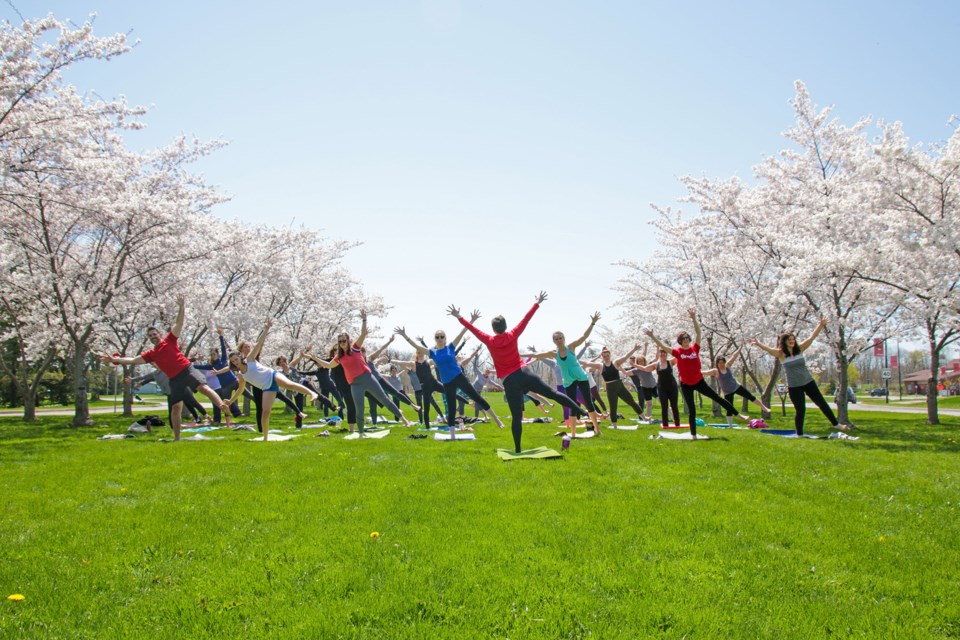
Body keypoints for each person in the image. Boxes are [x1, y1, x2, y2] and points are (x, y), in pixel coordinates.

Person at [453, 291, 588, 452]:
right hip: (524, 373)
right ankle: (582, 411)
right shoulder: (512, 334)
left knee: (517, 417)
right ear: (506, 326)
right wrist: (537, 303)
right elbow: (526, 319)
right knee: (552, 393)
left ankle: (518, 449)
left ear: (493, 329)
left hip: (510, 381)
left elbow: (473, 329)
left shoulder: (489, 340)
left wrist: (459, 317)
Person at [97, 295, 230, 441]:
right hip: (174, 379)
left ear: (159, 335)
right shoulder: (151, 354)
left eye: (155, 334)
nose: (153, 336)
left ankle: (221, 405)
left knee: (203, 388)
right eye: (150, 336)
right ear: (149, 338)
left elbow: (179, 324)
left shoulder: (169, 340)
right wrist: (115, 359)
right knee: (176, 408)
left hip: (187, 370)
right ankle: (177, 438)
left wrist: (181, 307)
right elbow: (134, 360)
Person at [644, 309, 749, 439]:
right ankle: (693, 435)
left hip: (699, 381)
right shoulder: (677, 352)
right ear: (680, 342)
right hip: (686, 384)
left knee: (717, 398)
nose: (686, 340)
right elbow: (663, 346)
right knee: (692, 410)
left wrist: (693, 318)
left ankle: (738, 415)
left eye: (687, 338)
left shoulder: (695, 349)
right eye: (684, 339)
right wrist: (653, 337)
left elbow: (699, 333)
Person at [307, 310, 414, 431]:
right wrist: (315, 358)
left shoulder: (355, 348)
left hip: (368, 378)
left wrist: (364, 319)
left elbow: (363, 334)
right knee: (359, 408)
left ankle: (404, 420)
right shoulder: (339, 357)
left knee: (384, 399)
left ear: (348, 340)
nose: (342, 343)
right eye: (340, 341)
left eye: (344, 340)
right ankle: (361, 432)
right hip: (354, 384)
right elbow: (329, 365)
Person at [395, 319, 504, 428]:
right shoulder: (432, 353)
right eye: (437, 337)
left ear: (445, 338)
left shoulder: (450, 347)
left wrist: (472, 320)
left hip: (459, 377)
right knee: (452, 409)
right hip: (447, 383)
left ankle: (497, 421)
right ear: (435, 339)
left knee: (476, 397)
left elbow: (461, 333)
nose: (439, 338)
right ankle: (452, 435)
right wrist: (405, 335)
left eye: (442, 336)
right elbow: (417, 347)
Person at [750, 318, 850, 435]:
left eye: (793, 339)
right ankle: (800, 434)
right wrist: (758, 344)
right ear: (784, 341)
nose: (792, 341)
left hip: (808, 382)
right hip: (794, 386)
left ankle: (836, 424)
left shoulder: (800, 349)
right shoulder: (781, 354)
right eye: (789, 340)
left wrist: (821, 325)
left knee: (822, 403)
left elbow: (811, 337)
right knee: (801, 410)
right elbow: (768, 349)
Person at [227, 319, 318, 441]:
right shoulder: (241, 375)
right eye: (233, 361)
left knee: (289, 384)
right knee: (265, 412)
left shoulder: (250, 359)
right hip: (267, 388)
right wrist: (231, 401)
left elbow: (259, 344)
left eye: (236, 359)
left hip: (272, 375)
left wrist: (267, 328)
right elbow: (240, 389)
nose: (235, 362)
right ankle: (265, 438)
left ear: (240, 357)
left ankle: (312, 393)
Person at [522, 312, 602, 438]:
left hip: (581, 378)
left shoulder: (571, 347)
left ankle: (597, 429)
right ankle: (574, 433)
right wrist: (519, 355)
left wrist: (593, 323)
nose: (559, 340)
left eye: (560, 338)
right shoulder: (554, 353)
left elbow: (584, 336)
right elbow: (537, 355)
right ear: (554, 341)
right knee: (572, 406)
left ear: (564, 339)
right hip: (568, 381)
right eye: (556, 338)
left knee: (589, 403)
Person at [701, 344, 771, 425]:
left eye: (722, 363)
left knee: (750, 396)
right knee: (729, 408)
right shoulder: (715, 371)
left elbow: (734, 356)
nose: (721, 364)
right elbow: (704, 372)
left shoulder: (727, 366)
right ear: (717, 364)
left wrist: (740, 348)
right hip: (727, 392)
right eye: (719, 363)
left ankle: (764, 408)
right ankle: (730, 425)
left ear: (724, 362)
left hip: (736, 386)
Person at [582, 345, 646, 429]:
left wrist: (634, 349)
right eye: (604, 356)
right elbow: (587, 363)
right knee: (613, 407)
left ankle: (644, 418)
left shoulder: (615, 363)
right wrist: (574, 359)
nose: (606, 357)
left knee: (631, 402)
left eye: (607, 356)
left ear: (610, 355)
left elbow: (625, 356)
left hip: (619, 386)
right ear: (602, 357)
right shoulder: (600, 365)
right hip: (610, 388)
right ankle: (614, 425)